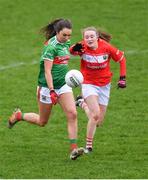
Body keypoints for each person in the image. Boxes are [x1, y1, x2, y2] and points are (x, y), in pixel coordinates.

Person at [8, 18, 84, 160]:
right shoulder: (50, 47)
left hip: (63, 84)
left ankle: (73, 149)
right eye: (64, 35)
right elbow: (47, 71)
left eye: (69, 35)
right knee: (42, 121)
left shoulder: (65, 43)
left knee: (72, 114)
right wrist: (51, 91)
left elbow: (66, 51)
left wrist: (75, 49)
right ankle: (19, 116)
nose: (67, 38)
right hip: (47, 88)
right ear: (57, 32)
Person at [70, 26, 126, 153]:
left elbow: (122, 58)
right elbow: (72, 51)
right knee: (95, 115)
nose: (89, 39)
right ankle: (88, 147)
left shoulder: (106, 47)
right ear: (84, 38)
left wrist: (122, 77)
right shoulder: (82, 46)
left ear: (97, 37)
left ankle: (81, 103)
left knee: (98, 121)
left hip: (105, 85)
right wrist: (74, 48)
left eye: (91, 36)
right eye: (86, 37)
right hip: (89, 84)